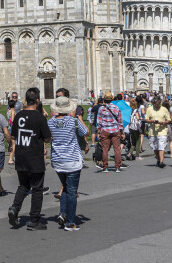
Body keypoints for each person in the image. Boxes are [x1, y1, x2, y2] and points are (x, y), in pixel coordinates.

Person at [8, 87, 52, 231]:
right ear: (38, 101)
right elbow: (47, 137)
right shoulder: (40, 117)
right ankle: (34, 219)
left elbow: (13, 136)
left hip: (21, 156)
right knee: (37, 188)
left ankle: (15, 207)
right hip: (34, 157)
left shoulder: (19, 116)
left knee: (23, 185)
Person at [47, 97, 88, 231]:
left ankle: (63, 213)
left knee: (64, 187)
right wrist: (79, 118)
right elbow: (85, 131)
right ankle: (70, 221)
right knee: (72, 191)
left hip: (58, 160)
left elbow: (48, 137)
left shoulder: (51, 122)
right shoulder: (73, 121)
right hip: (72, 160)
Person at [96, 91, 124, 172]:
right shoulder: (116, 108)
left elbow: (99, 121)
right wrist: (121, 131)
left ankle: (105, 167)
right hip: (115, 130)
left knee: (105, 149)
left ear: (104, 99)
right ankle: (118, 167)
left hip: (105, 130)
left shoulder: (101, 108)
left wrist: (98, 131)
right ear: (112, 99)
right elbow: (120, 121)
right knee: (117, 149)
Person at [145, 96, 170, 168]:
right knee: (155, 147)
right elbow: (146, 119)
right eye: (155, 104)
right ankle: (158, 159)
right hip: (153, 131)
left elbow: (168, 120)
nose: (157, 105)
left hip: (162, 130)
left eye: (158, 104)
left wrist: (163, 123)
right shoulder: (149, 109)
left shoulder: (164, 109)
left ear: (160, 102)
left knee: (161, 146)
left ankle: (161, 162)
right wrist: (152, 121)